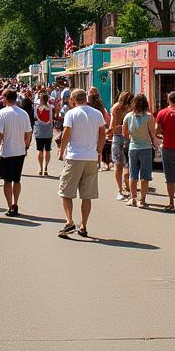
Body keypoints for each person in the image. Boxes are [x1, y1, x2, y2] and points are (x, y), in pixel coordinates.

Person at [57, 89, 107, 238]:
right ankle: (83, 225)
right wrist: (98, 150)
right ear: (86, 99)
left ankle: (69, 221)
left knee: (66, 192)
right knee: (87, 195)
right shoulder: (97, 113)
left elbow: (66, 133)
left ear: (73, 99)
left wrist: (61, 151)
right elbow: (103, 134)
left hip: (75, 156)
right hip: (90, 157)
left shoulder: (71, 113)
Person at [0, 89, 32, 216]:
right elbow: (28, 133)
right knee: (17, 179)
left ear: (6, 98)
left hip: (7, 151)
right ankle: (15, 203)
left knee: (7, 181)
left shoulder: (2, 113)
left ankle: (10, 206)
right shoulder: (24, 113)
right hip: (19, 151)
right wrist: (25, 146)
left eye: (2, 97)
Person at [123, 94, 158, 208]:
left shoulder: (128, 116)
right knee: (145, 176)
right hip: (146, 148)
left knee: (133, 175)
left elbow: (125, 134)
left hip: (133, 148)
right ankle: (142, 200)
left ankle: (133, 198)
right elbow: (153, 134)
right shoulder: (149, 117)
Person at [109, 90, 134, 200]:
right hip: (129, 137)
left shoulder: (116, 108)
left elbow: (112, 125)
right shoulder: (132, 109)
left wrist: (109, 132)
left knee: (117, 164)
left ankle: (120, 190)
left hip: (117, 136)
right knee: (129, 164)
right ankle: (128, 187)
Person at [88, 88, 112, 170]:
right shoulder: (101, 107)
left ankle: (95, 162)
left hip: (91, 127)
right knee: (99, 144)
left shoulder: (89, 107)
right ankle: (99, 162)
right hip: (100, 126)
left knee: (92, 144)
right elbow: (106, 118)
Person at [33, 91, 55, 177]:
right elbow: (51, 118)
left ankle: (41, 168)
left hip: (39, 131)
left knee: (40, 150)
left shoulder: (37, 107)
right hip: (48, 131)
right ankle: (46, 168)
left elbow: (35, 117)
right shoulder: (50, 107)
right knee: (48, 150)